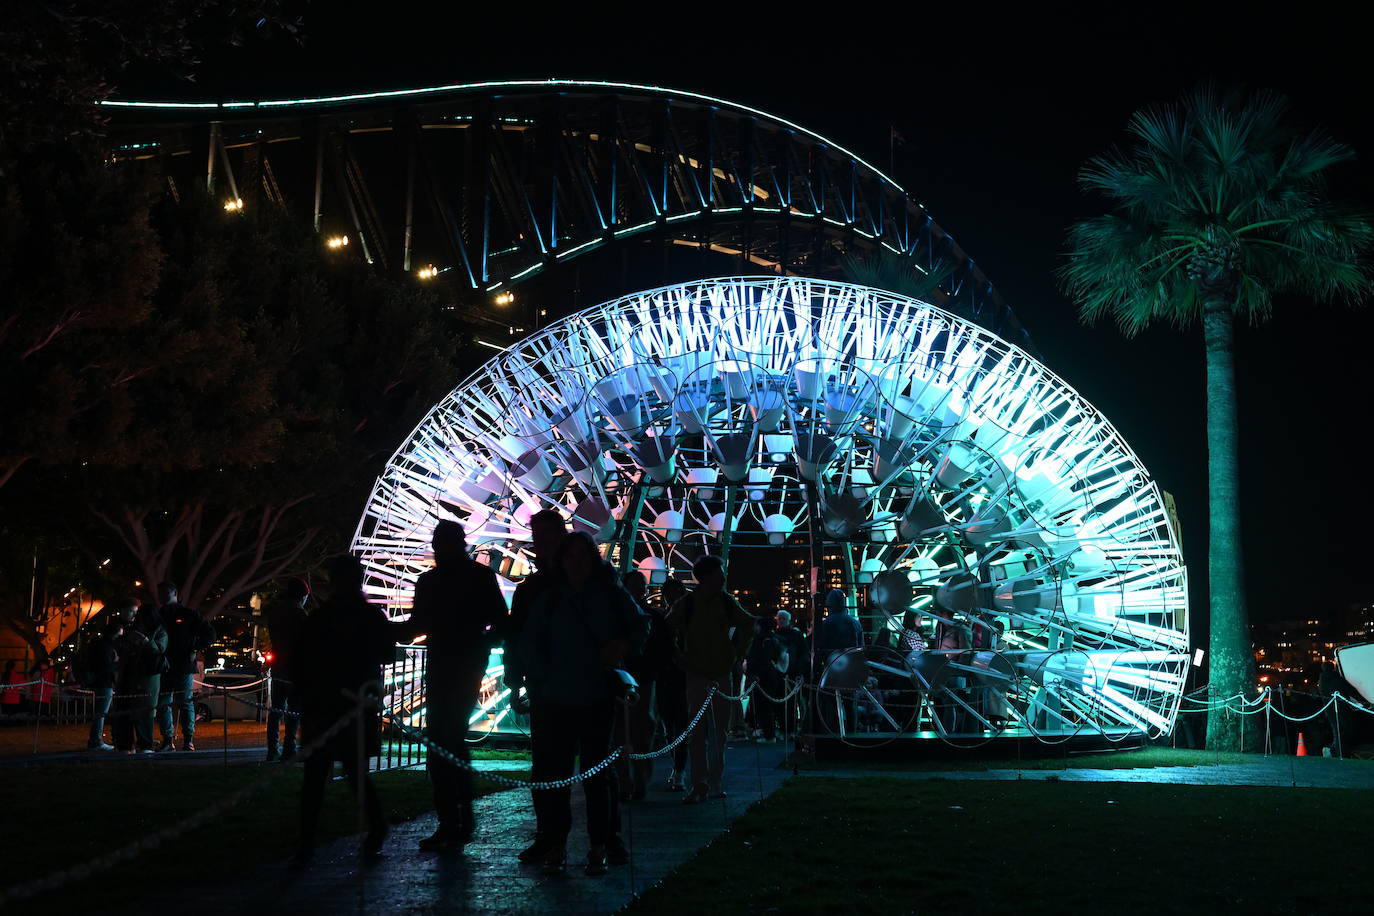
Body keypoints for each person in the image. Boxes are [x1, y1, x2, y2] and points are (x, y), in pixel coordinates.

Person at [513, 532, 649, 876]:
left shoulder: (606, 596)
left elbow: (638, 628)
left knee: (594, 773)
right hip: (558, 696)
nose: (576, 564)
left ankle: (597, 842)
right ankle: (564, 841)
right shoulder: (553, 597)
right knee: (558, 773)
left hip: (592, 694)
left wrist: (619, 647)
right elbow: (529, 641)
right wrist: (543, 679)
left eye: (582, 557)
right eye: (570, 557)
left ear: (593, 561)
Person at [399, 520, 506, 851]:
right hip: (455, 663)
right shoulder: (472, 577)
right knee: (446, 740)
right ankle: (456, 817)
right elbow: (500, 619)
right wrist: (484, 644)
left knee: (446, 739)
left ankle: (454, 819)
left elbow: (416, 626)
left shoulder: (437, 581)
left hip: (453, 663)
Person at [293, 555, 396, 865]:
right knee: (355, 773)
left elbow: (302, 660)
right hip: (353, 704)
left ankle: (307, 844)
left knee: (316, 777)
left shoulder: (320, 618)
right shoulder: (370, 617)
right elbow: (387, 655)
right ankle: (376, 828)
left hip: (325, 704)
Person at [504, 509, 568, 865]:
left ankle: (604, 840)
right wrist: (516, 682)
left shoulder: (583, 580)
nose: (540, 541)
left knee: (592, 766)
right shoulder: (529, 590)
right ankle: (550, 836)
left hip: (582, 684)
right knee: (546, 766)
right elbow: (516, 638)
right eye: (536, 535)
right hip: (545, 686)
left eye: (546, 534)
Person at [669, 555, 754, 804]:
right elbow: (748, 624)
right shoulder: (698, 603)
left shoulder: (704, 603)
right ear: (707, 577)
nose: (724, 577)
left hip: (703, 672)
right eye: (719, 573)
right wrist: (736, 654)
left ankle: (705, 783)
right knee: (709, 732)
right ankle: (706, 782)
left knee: (706, 732)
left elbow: (668, 628)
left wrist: (680, 656)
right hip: (711, 672)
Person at [618, 570, 672, 801]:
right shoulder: (650, 616)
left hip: (639, 676)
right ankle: (631, 781)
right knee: (630, 729)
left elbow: (663, 648)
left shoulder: (625, 615)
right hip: (634, 677)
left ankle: (635, 781)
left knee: (639, 728)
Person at [156, 582, 215, 752]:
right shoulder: (161, 614)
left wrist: (194, 648)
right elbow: (209, 634)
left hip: (180, 665)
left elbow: (210, 634)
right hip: (169, 665)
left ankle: (183, 739)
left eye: (164, 592)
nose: (161, 596)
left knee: (181, 702)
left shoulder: (185, 614)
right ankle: (173, 739)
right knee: (169, 703)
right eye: (160, 593)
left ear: (175, 592)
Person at [264, 578, 310, 762]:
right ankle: (289, 748)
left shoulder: (275, 614)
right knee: (293, 711)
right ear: (303, 596)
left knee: (275, 711)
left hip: (278, 667)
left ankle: (271, 749)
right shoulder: (300, 615)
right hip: (296, 669)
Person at [114, 601, 167, 753]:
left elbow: (159, 650)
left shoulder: (160, 631)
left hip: (146, 677)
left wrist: (144, 640)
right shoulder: (131, 630)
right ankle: (126, 745)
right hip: (129, 676)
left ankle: (145, 745)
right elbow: (121, 649)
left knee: (144, 714)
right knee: (125, 712)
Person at [657, 578, 691, 791]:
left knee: (679, 724)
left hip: (682, 675)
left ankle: (679, 769)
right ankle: (678, 767)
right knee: (671, 725)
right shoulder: (663, 617)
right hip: (667, 675)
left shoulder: (687, 617)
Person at [84, 611, 124, 750]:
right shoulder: (106, 647)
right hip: (104, 682)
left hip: (100, 681)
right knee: (101, 713)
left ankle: (96, 740)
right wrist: (119, 662)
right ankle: (96, 741)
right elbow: (106, 666)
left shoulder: (98, 644)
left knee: (101, 712)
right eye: (120, 633)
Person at [744, 615, 786, 741]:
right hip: (768, 676)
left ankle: (768, 734)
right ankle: (766, 731)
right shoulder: (773, 639)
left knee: (764, 706)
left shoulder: (761, 640)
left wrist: (753, 673)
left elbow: (760, 659)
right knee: (766, 706)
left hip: (761, 677)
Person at [814, 589, 862, 674]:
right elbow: (861, 646)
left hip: (832, 665)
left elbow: (821, 646)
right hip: (852, 664)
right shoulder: (855, 623)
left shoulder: (826, 623)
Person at [1318, 660, 1352, 758]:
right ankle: (1337, 752)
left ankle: (1335, 751)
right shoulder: (1337, 679)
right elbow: (1351, 690)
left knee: (1337, 730)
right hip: (1342, 708)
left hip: (1329, 709)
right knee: (1343, 731)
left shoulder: (1322, 680)